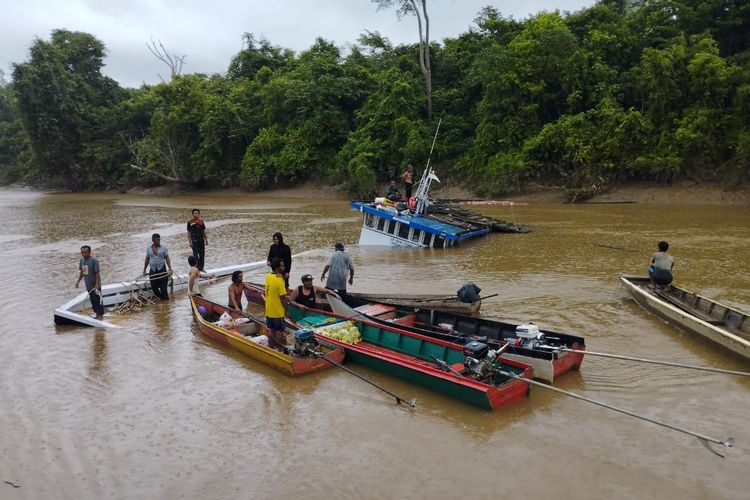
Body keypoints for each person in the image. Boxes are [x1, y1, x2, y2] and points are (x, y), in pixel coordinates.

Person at [264, 258, 288, 352]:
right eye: (282, 265)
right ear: (278, 268)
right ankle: (279, 350)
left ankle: (271, 348)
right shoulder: (279, 280)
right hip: (277, 312)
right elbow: (283, 298)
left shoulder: (268, 276)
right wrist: (287, 310)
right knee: (279, 332)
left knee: (271, 331)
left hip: (269, 310)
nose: (284, 267)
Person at [75, 245, 104, 320]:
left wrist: (97, 285)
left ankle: (100, 316)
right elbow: (82, 272)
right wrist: (78, 281)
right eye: (82, 252)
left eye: (85, 252)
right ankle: (96, 314)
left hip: (95, 285)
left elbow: (97, 274)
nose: (84, 254)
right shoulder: (81, 260)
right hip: (88, 285)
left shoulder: (94, 261)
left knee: (98, 301)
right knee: (92, 301)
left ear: (89, 252)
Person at [143, 233, 173, 300]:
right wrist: (144, 270)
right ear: (152, 240)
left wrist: (170, 268)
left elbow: (167, 258)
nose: (158, 241)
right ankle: (163, 299)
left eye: (159, 240)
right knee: (153, 287)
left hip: (162, 269)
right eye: (156, 240)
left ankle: (165, 302)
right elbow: (147, 259)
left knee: (163, 288)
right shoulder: (148, 248)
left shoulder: (164, 248)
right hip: (153, 269)